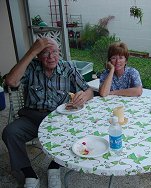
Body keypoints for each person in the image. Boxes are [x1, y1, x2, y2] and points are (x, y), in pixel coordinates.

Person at [2, 37, 93, 188]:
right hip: (32, 117)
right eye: (45, 53)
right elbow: (11, 82)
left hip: (59, 118)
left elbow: (88, 90)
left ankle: (54, 167)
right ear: (38, 55)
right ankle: (29, 174)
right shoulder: (31, 67)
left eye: (54, 52)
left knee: (80, 129)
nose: (51, 57)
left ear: (59, 53)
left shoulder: (68, 68)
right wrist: (31, 52)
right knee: (10, 132)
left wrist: (84, 96)